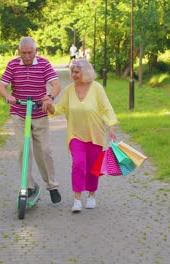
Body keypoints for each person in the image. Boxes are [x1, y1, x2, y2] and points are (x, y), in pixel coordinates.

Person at [46, 59, 118, 212]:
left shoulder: (97, 88)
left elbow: (107, 109)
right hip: (75, 134)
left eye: (76, 72)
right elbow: (60, 109)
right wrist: (50, 107)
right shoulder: (69, 90)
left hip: (95, 134)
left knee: (93, 167)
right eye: (72, 72)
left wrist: (111, 126)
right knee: (78, 164)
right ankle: (77, 199)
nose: (73, 75)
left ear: (85, 72)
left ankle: (91, 196)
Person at [0, 36, 62, 204]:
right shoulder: (12, 65)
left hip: (39, 113)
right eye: (23, 53)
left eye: (30, 53)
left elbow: (56, 84)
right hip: (19, 112)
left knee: (45, 151)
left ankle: (52, 186)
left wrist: (49, 98)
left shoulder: (44, 64)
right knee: (23, 149)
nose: (26, 56)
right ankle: (29, 185)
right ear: (19, 52)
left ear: (36, 52)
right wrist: (8, 96)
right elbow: (1, 86)